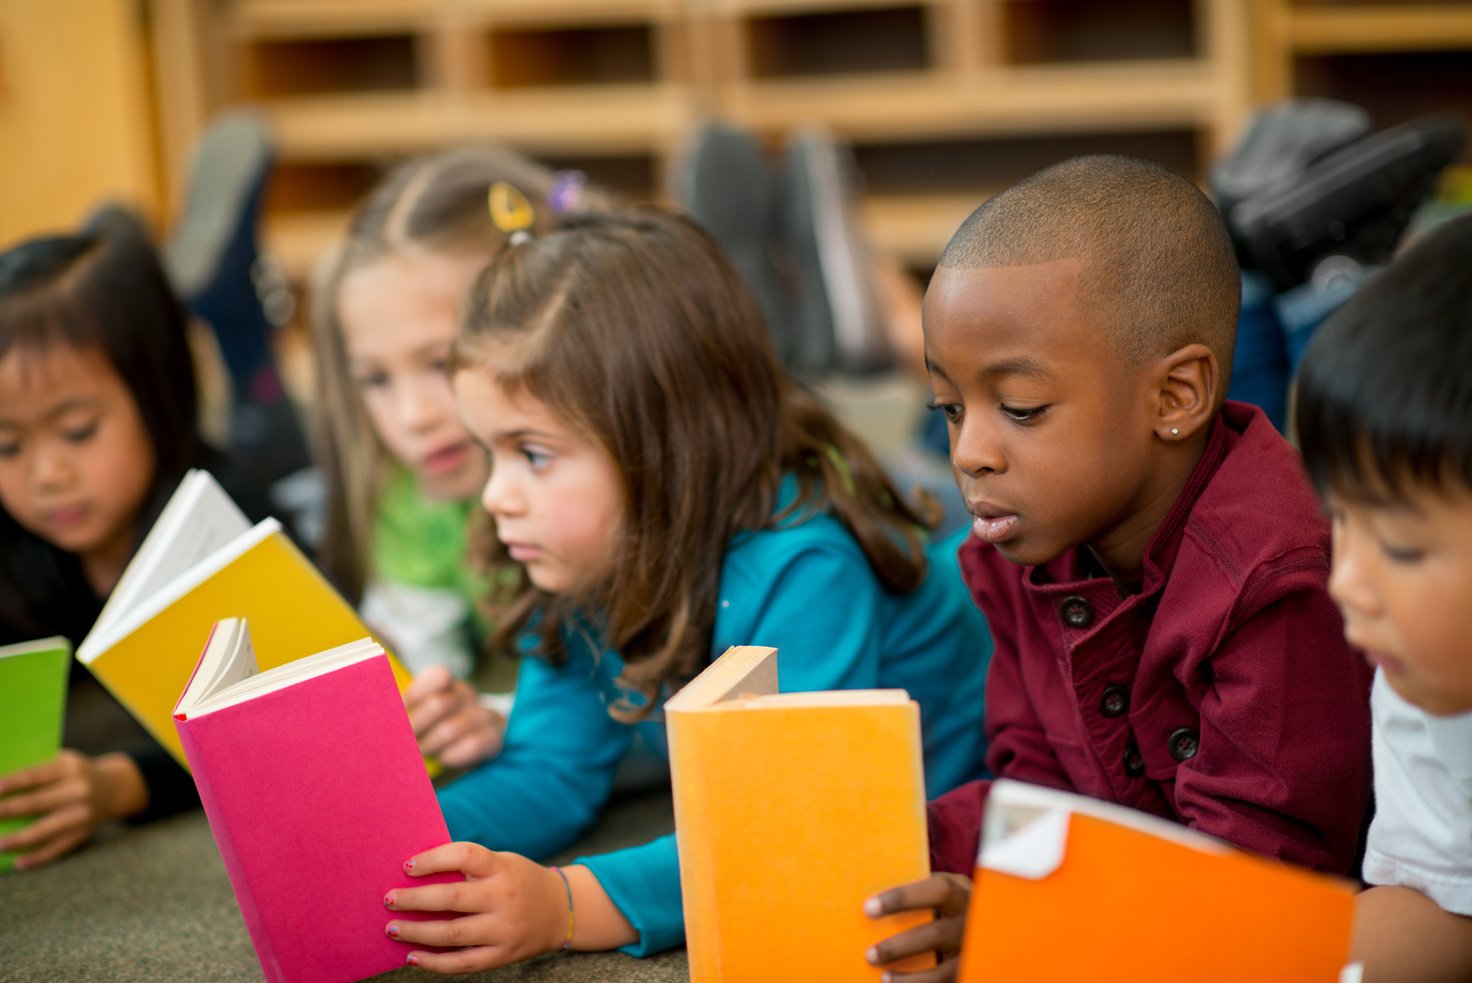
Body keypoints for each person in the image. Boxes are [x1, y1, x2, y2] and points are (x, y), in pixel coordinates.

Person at [376, 205, 993, 971]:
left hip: (1001, 697)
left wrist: (566, 903)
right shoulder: (574, 554)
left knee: (964, 472)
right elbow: (549, 769)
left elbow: (781, 832)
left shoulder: (805, 570)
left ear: (662, 455)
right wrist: (390, 844)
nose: (495, 495)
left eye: (531, 453)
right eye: (488, 451)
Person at [864, 154, 1375, 980]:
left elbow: (1257, 886)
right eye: (948, 410)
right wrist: (896, 854)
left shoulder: (1276, 581)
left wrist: (1022, 931)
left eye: (1021, 409)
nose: (971, 453)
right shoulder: (1023, 550)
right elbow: (1037, 788)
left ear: (1175, 398)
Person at [311, 147, 613, 768]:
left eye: (441, 363)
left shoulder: (600, 492)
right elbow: (428, 666)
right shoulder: (412, 495)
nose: (413, 415)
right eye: (376, 380)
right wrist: (426, 702)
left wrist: (509, 724)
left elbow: (652, 706)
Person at [0, 216, 273, 869]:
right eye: (7, 444)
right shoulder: (16, 532)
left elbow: (269, 731)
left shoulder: (224, 525)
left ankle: (239, 323)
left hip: (266, 468)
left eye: (78, 430)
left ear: (157, 396)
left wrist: (119, 783)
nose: (46, 474)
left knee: (273, 425)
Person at [1294, 213, 1472, 983]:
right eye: (1340, 519)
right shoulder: (1424, 672)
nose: (1345, 582)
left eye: (1399, 545)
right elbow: (1438, 900)